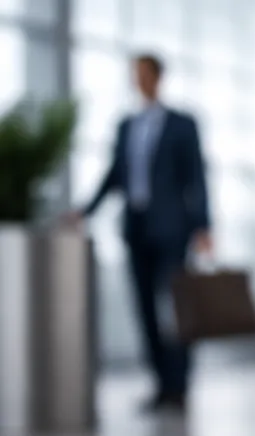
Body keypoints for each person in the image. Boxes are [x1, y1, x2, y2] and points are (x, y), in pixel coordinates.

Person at [76, 53, 211, 414]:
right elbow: (114, 176)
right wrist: (86, 212)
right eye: (134, 74)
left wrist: (203, 225)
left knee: (175, 309)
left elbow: (196, 175)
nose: (138, 79)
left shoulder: (182, 124)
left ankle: (179, 385)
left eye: (144, 73)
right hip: (135, 228)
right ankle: (160, 384)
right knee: (146, 309)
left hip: (172, 229)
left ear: (158, 76)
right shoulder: (126, 125)